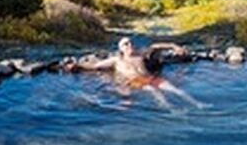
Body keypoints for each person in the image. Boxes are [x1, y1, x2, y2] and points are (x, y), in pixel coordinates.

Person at [67, 37, 205, 109]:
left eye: (130, 43)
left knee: (175, 90)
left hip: (150, 77)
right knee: (153, 91)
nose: (130, 45)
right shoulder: (116, 60)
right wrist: (78, 66)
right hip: (136, 81)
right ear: (120, 49)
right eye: (126, 44)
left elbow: (156, 46)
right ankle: (171, 109)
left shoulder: (141, 55)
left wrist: (174, 46)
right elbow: (96, 66)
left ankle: (198, 104)